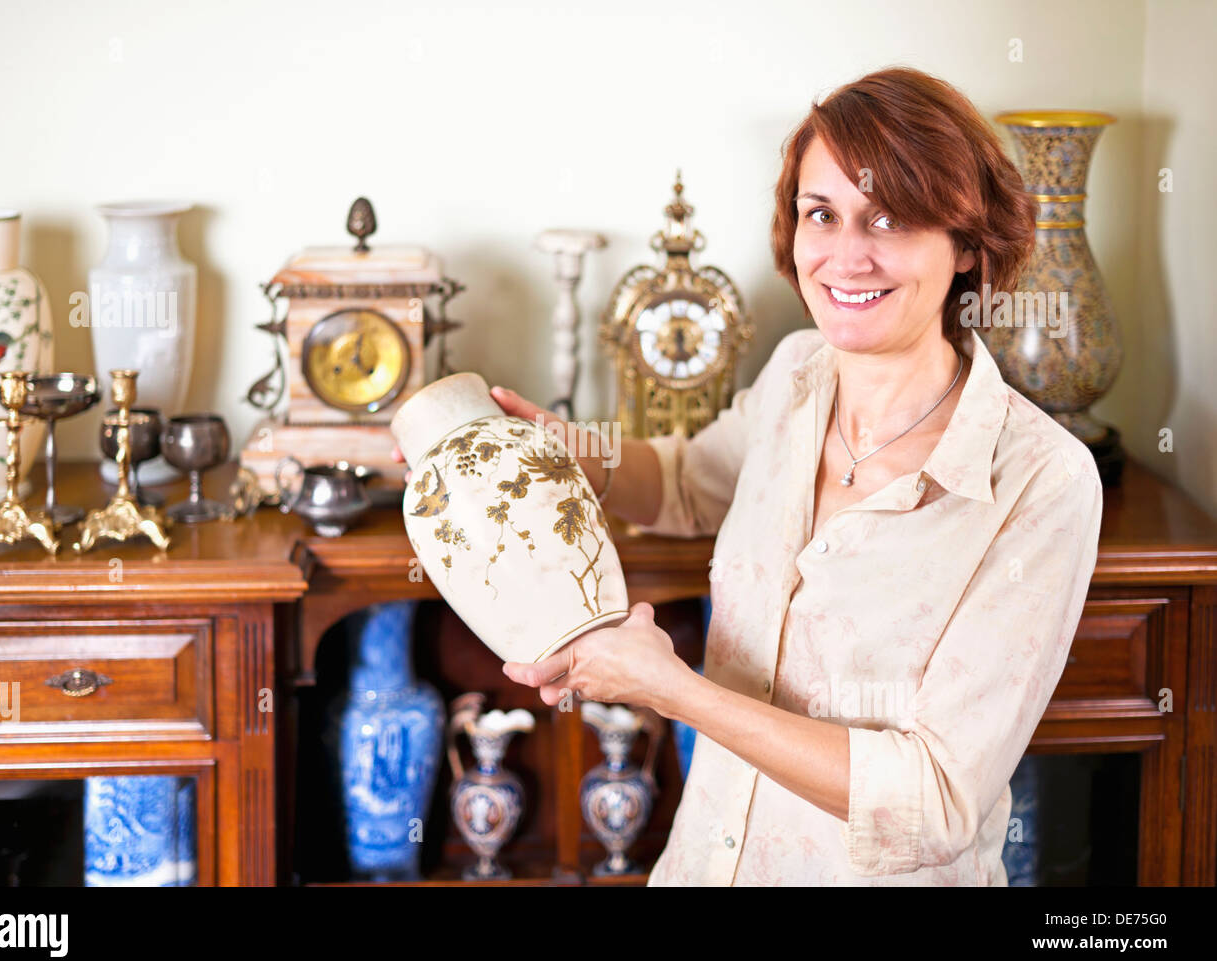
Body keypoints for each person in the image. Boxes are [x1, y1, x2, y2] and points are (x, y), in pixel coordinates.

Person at [397, 66, 1103, 885]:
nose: (846, 255)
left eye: (892, 220)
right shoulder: (798, 371)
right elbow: (693, 480)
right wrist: (568, 452)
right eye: (822, 214)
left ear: (970, 246)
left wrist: (674, 690)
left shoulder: (1043, 483)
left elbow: (935, 800)